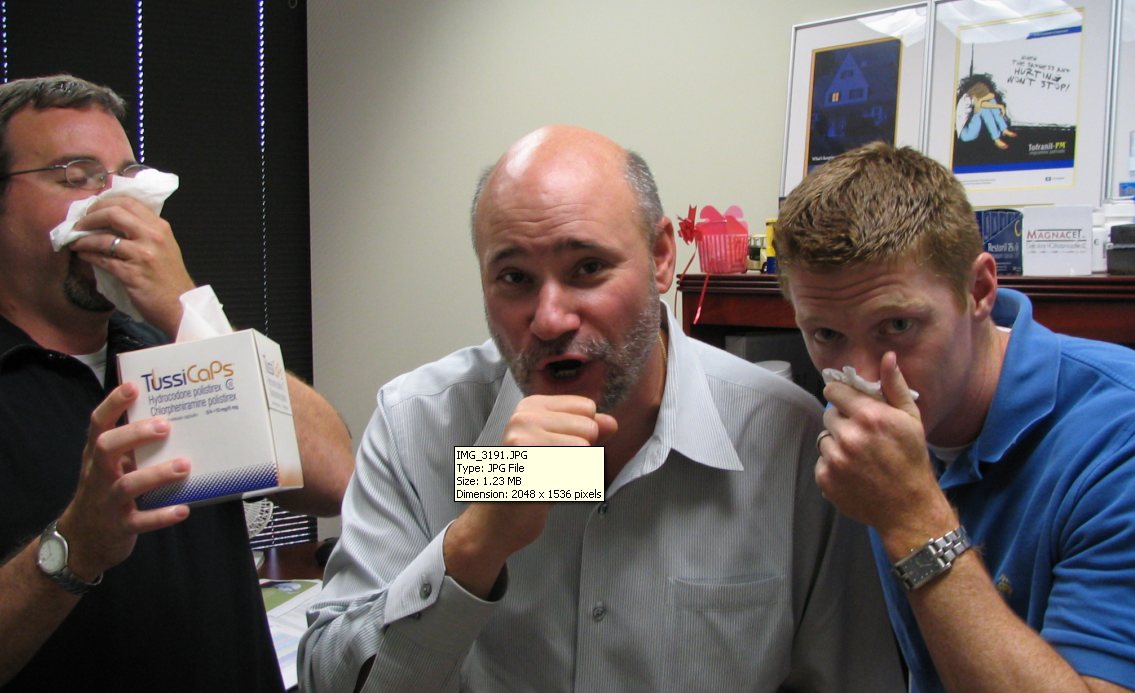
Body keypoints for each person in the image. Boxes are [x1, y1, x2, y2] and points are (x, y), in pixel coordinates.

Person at [299, 125, 903, 692]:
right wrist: (473, 547)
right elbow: (327, 677)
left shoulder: (792, 443)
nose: (550, 318)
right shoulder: (416, 427)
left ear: (662, 257)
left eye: (587, 268)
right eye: (513, 277)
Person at [0, 75, 354, 691]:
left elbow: (336, 480)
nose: (114, 205)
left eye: (126, 177)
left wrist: (186, 306)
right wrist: (73, 549)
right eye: (76, 175)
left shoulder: (170, 349)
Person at [775, 141, 1135, 693]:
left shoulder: (1117, 431)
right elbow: (609, 503)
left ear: (980, 290)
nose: (864, 375)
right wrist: (585, 485)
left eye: (897, 326)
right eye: (826, 335)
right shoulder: (814, 420)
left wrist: (913, 517)